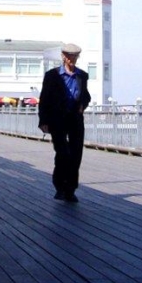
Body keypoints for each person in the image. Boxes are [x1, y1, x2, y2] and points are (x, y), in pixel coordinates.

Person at [38, 43, 91, 203]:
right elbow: (44, 99)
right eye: (69, 56)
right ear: (63, 56)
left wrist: (83, 104)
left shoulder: (82, 75)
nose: (72, 59)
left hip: (75, 118)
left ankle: (70, 190)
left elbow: (86, 95)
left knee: (76, 154)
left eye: (75, 56)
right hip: (57, 119)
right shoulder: (52, 75)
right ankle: (59, 186)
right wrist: (43, 120)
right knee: (62, 153)